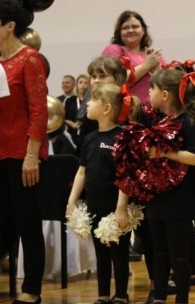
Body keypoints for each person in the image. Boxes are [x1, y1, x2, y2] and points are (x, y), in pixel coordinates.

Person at [0, 1, 46, 303]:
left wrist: (32, 155)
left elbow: (39, 112)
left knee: (27, 223)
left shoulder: (29, 59)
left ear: (10, 26)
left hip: (21, 155)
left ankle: (31, 290)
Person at [66, 83, 140, 304]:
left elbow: (126, 175)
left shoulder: (122, 138)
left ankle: (122, 295)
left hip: (115, 208)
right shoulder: (89, 138)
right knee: (100, 253)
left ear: (106, 108)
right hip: (94, 205)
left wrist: (121, 208)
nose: (87, 103)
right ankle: (102, 295)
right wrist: (72, 201)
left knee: (118, 253)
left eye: (92, 100)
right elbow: (82, 172)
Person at [146, 69, 195, 304]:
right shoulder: (157, 121)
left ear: (166, 94)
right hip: (156, 195)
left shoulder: (188, 122)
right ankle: (159, 296)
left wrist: (165, 153)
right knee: (158, 251)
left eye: (152, 89)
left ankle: (182, 298)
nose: (148, 93)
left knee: (178, 252)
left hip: (179, 197)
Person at [102, 10, 165, 106]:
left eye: (135, 27)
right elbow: (115, 81)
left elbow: (166, 84)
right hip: (128, 110)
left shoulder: (152, 54)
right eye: (125, 28)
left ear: (143, 30)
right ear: (119, 32)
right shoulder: (113, 50)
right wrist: (146, 66)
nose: (131, 30)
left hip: (155, 112)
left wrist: (157, 70)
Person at [63, 74, 89, 148]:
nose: (83, 85)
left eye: (86, 83)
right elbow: (63, 118)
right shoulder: (70, 101)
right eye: (80, 82)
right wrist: (71, 123)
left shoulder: (92, 101)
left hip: (88, 137)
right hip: (72, 139)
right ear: (76, 85)